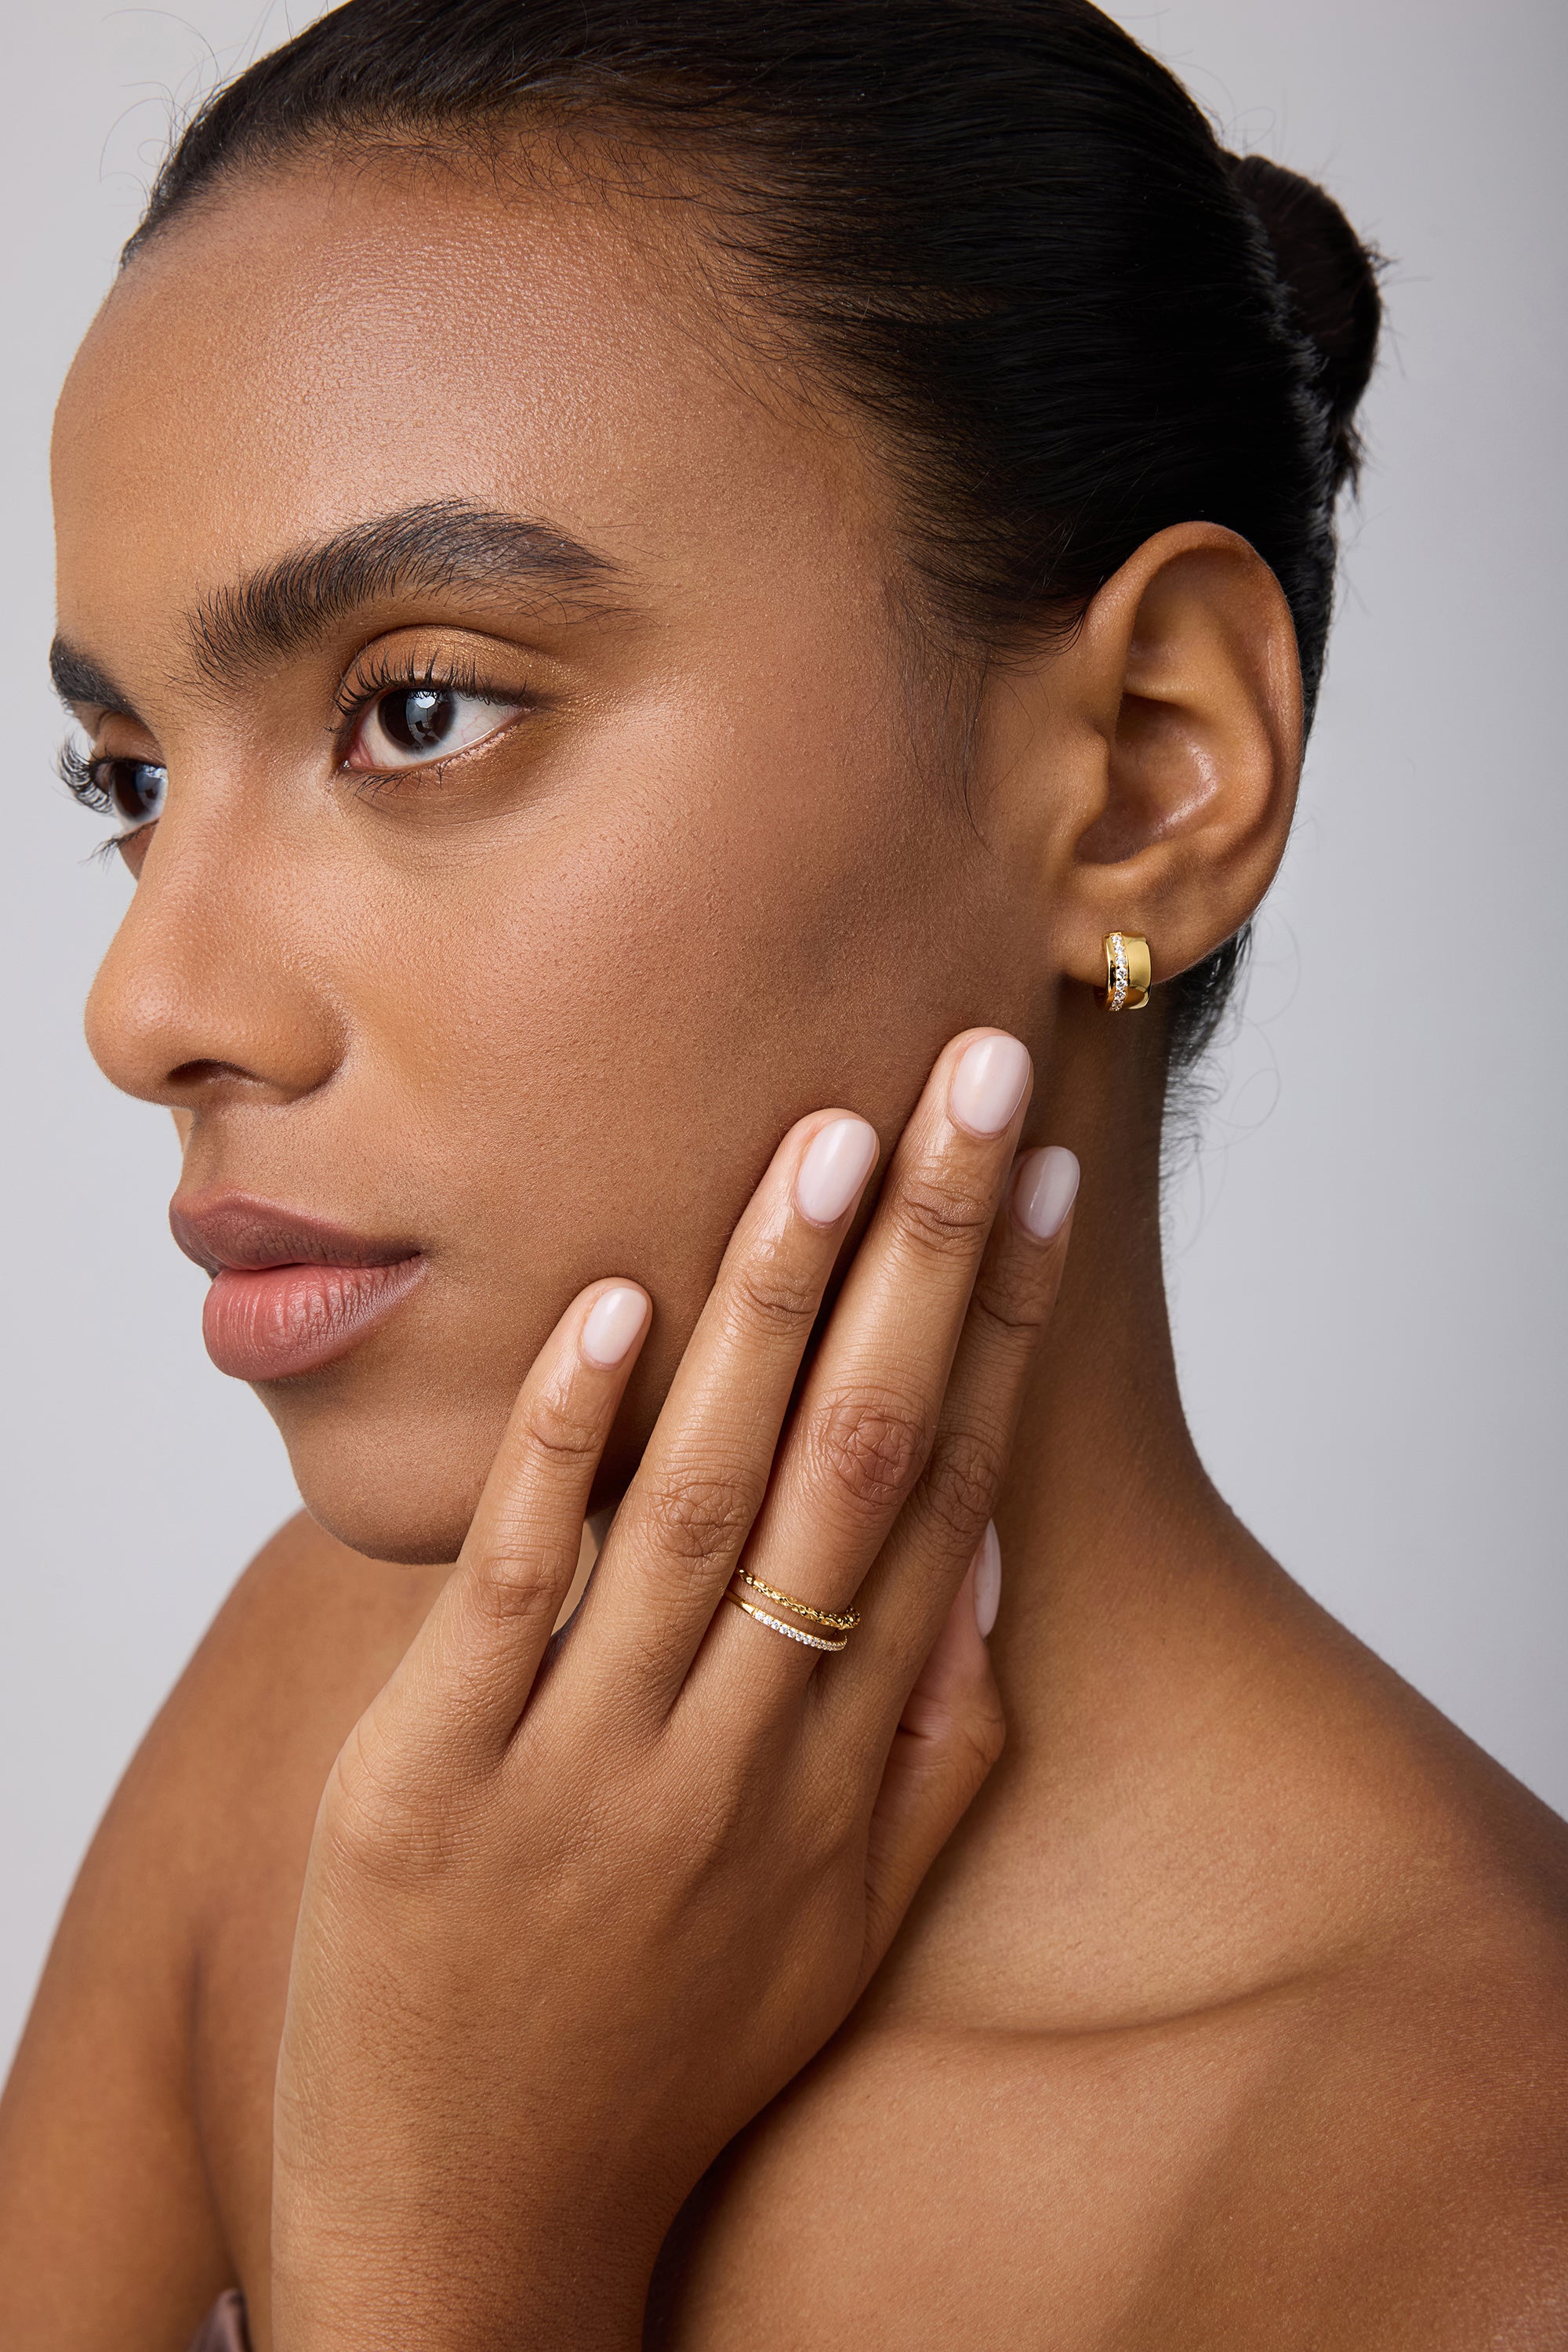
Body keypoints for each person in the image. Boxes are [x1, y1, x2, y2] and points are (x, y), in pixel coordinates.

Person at [2, 1, 1564, 2343]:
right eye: (130, 776)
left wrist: (439, 2258)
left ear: (1151, 770)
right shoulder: (336, 1744)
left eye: (419, 707)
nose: (144, 1011)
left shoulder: (1479, 2203)